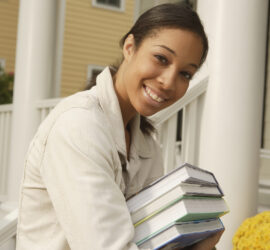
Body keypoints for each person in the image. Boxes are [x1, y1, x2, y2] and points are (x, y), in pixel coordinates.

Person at [16, 3, 223, 250]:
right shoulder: (78, 126)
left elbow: (153, 236)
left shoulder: (147, 144)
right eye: (161, 58)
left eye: (185, 74)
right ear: (129, 47)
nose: (168, 82)